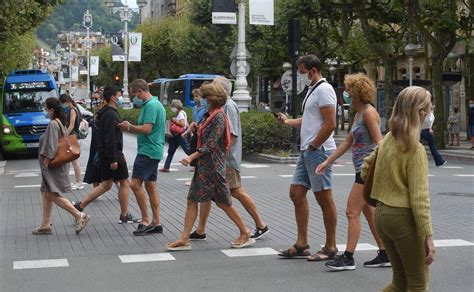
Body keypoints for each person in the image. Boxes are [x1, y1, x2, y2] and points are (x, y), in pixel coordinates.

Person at [361, 86, 435, 291]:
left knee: (399, 283)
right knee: (418, 284)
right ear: (420, 113)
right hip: (404, 219)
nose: (430, 114)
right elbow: (420, 199)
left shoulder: (387, 140)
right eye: (429, 109)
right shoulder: (415, 149)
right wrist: (428, 237)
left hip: (382, 215)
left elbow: (365, 169)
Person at [165, 83, 255, 251]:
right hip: (204, 167)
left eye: (205, 97)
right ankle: (184, 238)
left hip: (213, 166)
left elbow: (211, 144)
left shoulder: (219, 116)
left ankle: (245, 231)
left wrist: (191, 156)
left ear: (212, 99)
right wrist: (196, 128)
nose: (202, 100)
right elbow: (207, 137)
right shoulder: (210, 115)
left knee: (223, 202)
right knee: (193, 200)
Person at [315, 73, 389, 270]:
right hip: (361, 168)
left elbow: (380, 142)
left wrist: (375, 169)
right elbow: (348, 141)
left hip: (367, 169)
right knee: (367, 211)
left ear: (355, 92)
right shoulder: (358, 113)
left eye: (347, 90)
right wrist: (327, 162)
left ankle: (348, 257)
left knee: (351, 211)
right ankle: (385, 253)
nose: (345, 93)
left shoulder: (369, 113)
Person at [190, 77, 269, 241]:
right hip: (218, 160)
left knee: (235, 191)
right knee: (208, 193)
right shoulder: (217, 106)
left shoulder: (229, 106)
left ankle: (260, 225)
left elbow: (231, 135)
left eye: (213, 86)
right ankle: (200, 229)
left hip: (227, 160)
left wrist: (221, 158)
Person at [276, 55, 338, 261]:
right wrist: (288, 122)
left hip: (318, 151)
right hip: (308, 151)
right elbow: (310, 119)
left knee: (324, 199)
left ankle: (330, 247)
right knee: (296, 193)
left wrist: (314, 145)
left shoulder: (324, 90)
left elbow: (330, 124)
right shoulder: (313, 90)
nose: (300, 76)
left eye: (302, 72)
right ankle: (302, 244)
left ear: (313, 71)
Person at [72, 86, 137, 224]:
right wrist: (113, 158)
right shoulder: (110, 114)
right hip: (112, 154)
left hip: (108, 154)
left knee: (106, 184)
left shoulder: (106, 113)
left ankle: (80, 205)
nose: (121, 98)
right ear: (113, 97)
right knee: (125, 182)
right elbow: (109, 138)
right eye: (119, 95)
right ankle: (124, 215)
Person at [33, 97, 90, 235]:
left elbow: (52, 146)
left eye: (46, 109)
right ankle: (45, 224)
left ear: (52, 110)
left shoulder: (53, 124)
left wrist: (46, 162)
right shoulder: (60, 122)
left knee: (51, 194)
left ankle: (79, 215)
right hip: (56, 165)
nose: (45, 111)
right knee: (47, 193)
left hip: (53, 166)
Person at [118, 79, 166, 236]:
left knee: (135, 185)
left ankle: (146, 220)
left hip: (148, 150)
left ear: (140, 91)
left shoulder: (151, 105)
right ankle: (156, 222)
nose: (133, 98)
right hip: (153, 149)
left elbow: (146, 129)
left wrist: (129, 127)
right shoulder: (155, 104)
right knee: (150, 186)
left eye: (134, 94)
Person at [59, 93, 83, 190]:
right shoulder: (71, 109)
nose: (62, 105)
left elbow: (72, 125)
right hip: (72, 136)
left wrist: (65, 135)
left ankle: (79, 182)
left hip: (72, 136)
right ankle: (75, 181)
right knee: (70, 160)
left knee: (74, 161)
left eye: (62, 103)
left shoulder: (72, 110)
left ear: (67, 101)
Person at [159, 99, 190, 172]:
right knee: (171, 150)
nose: (172, 108)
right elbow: (186, 123)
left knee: (187, 150)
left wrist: (174, 120)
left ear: (176, 106)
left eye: (173, 106)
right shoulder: (182, 113)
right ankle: (166, 167)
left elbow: (182, 124)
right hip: (176, 135)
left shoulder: (180, 114)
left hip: (179, 134)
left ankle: (196, 163)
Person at [83, 93, 105, 187]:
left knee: (113, 175)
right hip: (95, 146)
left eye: (96, 99)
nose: (95, 102)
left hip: (103, 147)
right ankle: (96, 191)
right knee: (94, 171)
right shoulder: (96, 114)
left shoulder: (106, 114)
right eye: (93, 100)